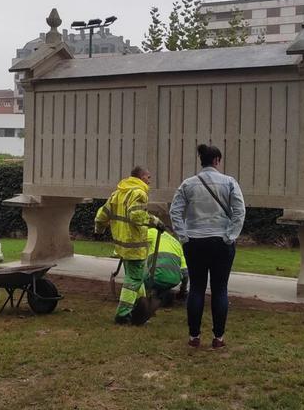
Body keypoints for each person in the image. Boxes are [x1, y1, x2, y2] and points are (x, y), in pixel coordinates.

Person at [169, 144, 245, 349]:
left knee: (196, 288)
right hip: (221, 241)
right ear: (217, 160)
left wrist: (183, 235)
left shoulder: (188, 184)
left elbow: (175, 211)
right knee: (220, 289)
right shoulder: (229, 182)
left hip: (194, 241)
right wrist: (230, 236)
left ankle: (194, 336)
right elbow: (240, 210)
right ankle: (218, 337)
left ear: (202, 161)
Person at [94, 166, 162, 325]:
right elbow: (136, 216)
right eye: (148, 177)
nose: (149, 180)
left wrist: (98, 230)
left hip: (122, 245)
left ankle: (142, 307)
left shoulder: (117, 193)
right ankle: (123, 315)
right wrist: (155, 222)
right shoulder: (139, 193)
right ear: (141, 177)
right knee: (134, 279)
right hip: (135, 246)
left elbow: (102, 214)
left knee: (135, 276)